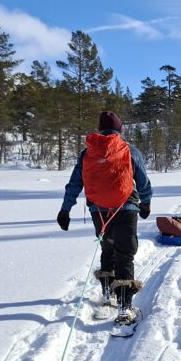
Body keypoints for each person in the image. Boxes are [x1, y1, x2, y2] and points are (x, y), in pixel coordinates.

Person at [57, 111, 152, 327]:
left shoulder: (87, 153)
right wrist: (146, 202)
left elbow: (74, 184)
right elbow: (143, 180)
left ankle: (108, 294)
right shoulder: (128, 149)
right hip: (126, 208)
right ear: (119, 129)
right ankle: (124, 308)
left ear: (100, 130)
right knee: (125, 255)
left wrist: (65, 209)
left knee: (108, 249)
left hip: (98, 211)